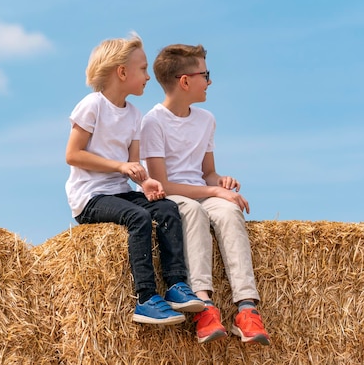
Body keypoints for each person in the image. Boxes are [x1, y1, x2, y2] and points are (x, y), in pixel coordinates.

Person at [64, 35, 204, 326]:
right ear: (122, 72)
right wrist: (120, 166)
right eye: (142, 69)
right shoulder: (93, 105)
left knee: (166, 208)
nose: (148, 76)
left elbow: (134, 165)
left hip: (119, 191)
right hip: (90, 197)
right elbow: (73, 154)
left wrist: (146, 183)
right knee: (138, 217)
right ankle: (145, 299)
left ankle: (176, 285)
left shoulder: (135, 115)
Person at [140, 43, 270, 345]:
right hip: (169, 197)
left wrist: (220, 183)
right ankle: (204, 306)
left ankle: (247, 309)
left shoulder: (206, 120)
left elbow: (208, 171)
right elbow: (162, 184)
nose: (209, 82)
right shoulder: (153, 122)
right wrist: (211, 189)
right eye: (205, 75)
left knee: (230, 211)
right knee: (195, 213)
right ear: (185, 81)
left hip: (200, 189)